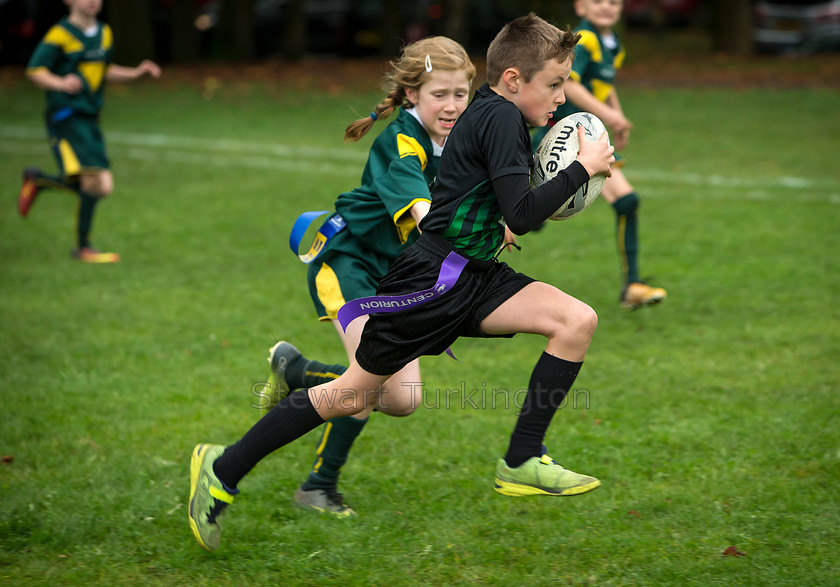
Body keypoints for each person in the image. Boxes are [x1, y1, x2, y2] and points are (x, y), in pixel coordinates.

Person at [190, 13, 615, 552]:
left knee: (576, 320)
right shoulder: (498, 119)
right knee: (355, 394)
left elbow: (490, 196)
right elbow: (524, 211)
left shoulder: (494, 114)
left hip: (474, 273)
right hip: (434, 278)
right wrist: (582, 168)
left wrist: (505, 214)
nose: (562, 95)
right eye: (554, 84)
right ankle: (222, 468)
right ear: (513, 80)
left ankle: (522, 458)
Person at [262, 36, 476, 518]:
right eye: (438, 95)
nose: (451, 105)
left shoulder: (464, 139)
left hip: (393, 278)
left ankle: (296, 371)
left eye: (460, 94)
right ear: (412, 95)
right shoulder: (400, 140)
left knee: (403, 400)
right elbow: (423, 211)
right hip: (350, 262)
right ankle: (318, 487)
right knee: (362, 386)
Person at [531, 0, 667, 310]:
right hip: (563, 141)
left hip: (590, 139)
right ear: (580, 7)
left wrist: (616, 116)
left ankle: (632, 285)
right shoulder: (585, 39)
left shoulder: (612, 44)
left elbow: (606, 85)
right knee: (525, 216)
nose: (606, 6)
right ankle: (454, 271)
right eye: (597, 1)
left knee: (627, 201)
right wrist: (610, 115)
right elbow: (572, 84)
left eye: (614, 2)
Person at [18, 0, 161, 263]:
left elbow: (104, 71)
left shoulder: (104, 33)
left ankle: (38, 181)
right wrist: (60, 82)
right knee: (97, 183)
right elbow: (35, 71)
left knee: (101, 186)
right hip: (67, 117)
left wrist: (137, 73)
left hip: (90, 118)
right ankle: (83, 248)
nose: (92, 0)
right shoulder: (60, 34)